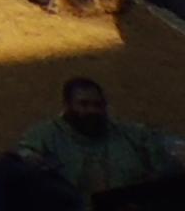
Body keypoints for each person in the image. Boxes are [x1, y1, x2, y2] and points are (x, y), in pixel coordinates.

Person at [19, 74, 185, 205]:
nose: (92, 110)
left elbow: (164, 149)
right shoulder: (45, 136)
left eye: (98, 105)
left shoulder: (130, 134)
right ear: (67, 105)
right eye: (83, 104)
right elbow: (22, 162)